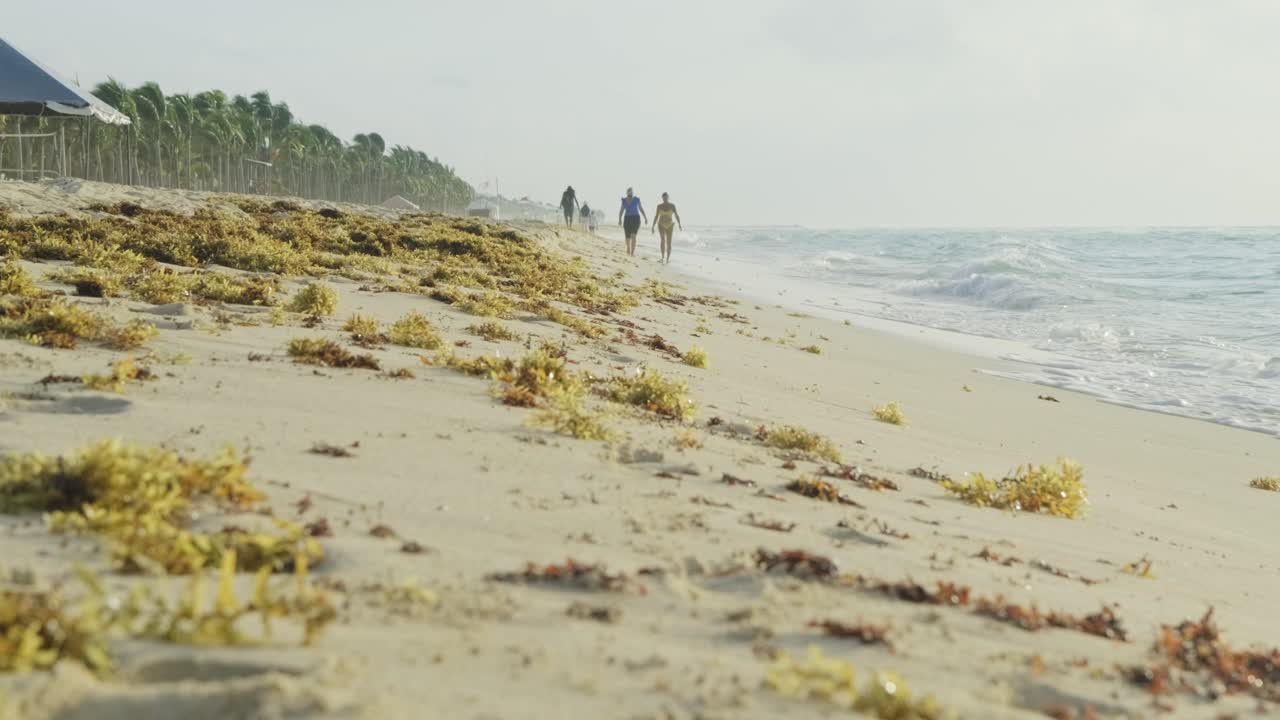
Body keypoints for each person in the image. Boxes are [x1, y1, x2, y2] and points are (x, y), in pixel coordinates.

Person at [651, 192, 683, 263]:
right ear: (662, 198)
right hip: (661, 224)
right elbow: (656, 216)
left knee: (669, 242)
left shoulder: (672, 206)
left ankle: (668, 259)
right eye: (663, 197)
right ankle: (662, 257)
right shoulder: (659, 206)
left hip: (670, 225)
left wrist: (679, 224)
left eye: (666, 197)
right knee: (662, 240)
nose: (665, 199)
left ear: (668, 198)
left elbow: (676, 215)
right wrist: (653, 226)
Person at [617, 187, 647, 256]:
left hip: (635, 219)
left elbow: (641, 208)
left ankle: (632, 252)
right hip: (627, 219)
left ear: (632, 192)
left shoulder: (637, 199)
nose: (630, 193)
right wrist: (620, 219)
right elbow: (621, 210)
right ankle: (628, 248)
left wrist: (645, 217)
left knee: (633, 235)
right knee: (627, 237)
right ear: (626, 192)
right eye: (628, 191)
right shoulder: (624, 200)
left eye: (631, 191)